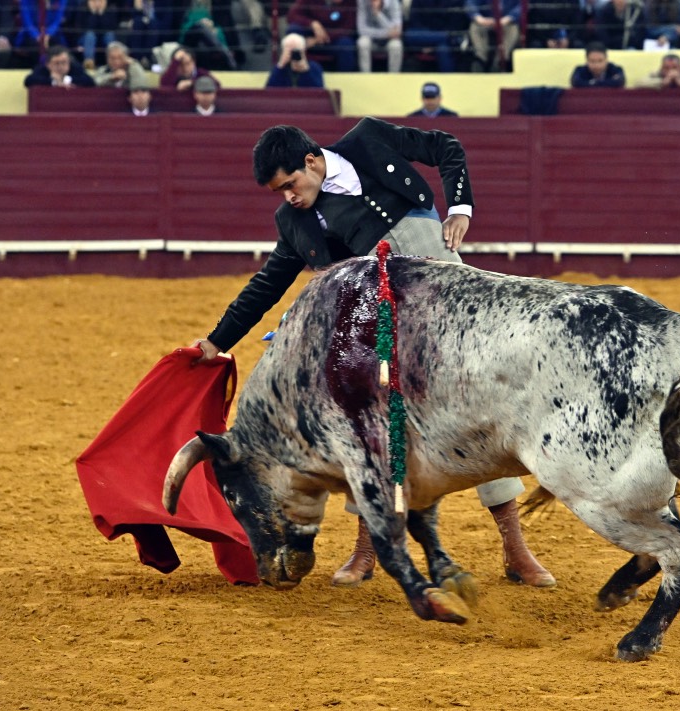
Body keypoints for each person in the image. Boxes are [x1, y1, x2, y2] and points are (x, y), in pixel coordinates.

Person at [191, 119, 557, 590]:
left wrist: (460, 206)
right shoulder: (295, 220)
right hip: (382, 322)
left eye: (291, 184)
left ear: (311, 161)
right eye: (279, 192)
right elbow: (267, 285)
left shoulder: (369, 140)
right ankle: (365, 550)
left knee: (481, 410)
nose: (288, 196)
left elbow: (445, 146)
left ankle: (515, 549)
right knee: (368, 423)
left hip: (452, 306)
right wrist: (215, 341)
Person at [285, 0, 358, 72]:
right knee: (294, 30)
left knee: (346, 44)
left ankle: (345, 79)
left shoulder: (351, 2)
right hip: (309, 39)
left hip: (333, 40)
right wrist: (312, 23)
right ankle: (294, 72)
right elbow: (291, 15)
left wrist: (318, 40)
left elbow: (348, 28)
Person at [404, 0, 468, 73]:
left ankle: (448, 81)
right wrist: (430, 40)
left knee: (443, 48)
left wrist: (433, 46)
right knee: (409, 35)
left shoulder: (456, 1)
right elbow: (415, 21)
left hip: (445, 36)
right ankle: (443, 38)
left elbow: (456, 25)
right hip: (423, 36)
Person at [178, 0, 238, 70]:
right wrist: (201, 23)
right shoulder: (188, 10)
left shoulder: (210, 14)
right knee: (199, 27)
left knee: (206, 38)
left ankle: (225, 56)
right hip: (189, 40)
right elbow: (184, 29)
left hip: (205, 44)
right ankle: (227, 56)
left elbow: (218, 33)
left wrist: (213, 30)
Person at [465, 0, 521, 71]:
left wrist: (507, 19)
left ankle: (500, 61)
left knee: (513, 29)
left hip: (506, 22)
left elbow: (521, 7)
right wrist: (479, 19)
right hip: (485, 21)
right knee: (475, 26)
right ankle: (480, 59)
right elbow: (471, 4)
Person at [126, 0, 177, 68]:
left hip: (158, 31)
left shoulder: (164, 2)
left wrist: (150, 23)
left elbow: (166, 23)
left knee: (153, 24)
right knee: (138, 22)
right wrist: (138, 9)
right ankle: (138, 59)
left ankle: (147, 58)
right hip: (141, 31)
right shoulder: (136, 2)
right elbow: (132, 21)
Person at [356, 0, 403, 73]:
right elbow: (361, 30)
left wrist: (378, 14)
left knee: (396, 45)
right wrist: (386, 34)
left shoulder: (393, 2)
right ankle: (365, 77)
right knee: (362, 43)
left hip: (389, 40)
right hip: (371, 39)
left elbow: (397, 31)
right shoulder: (362, 1)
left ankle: (393, 78)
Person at [23, 44, 96, 87]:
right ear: (48, 64)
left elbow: (90, 82)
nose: (60, 66)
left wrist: (66, 80)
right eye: (56, 63)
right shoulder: (42, 69)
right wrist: (54, 82)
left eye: (64, 62)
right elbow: (28, 81)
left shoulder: (75, 68)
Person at [74, 0, 118, 70]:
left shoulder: (110, 7)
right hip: (85, 38)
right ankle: (89, 64)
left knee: (109, 35)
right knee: (90, 35)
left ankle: (114, 62)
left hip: (103, 36)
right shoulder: (83, 7)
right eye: (94, 1)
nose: (97, 3)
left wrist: (101, 13)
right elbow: (85, 28)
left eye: (100, 1)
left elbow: (110, 28)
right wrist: (93, 13)